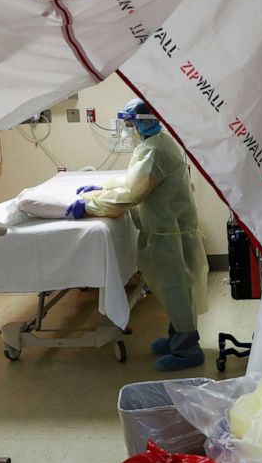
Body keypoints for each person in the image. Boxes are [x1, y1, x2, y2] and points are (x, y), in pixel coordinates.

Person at [75, 99, 209, 371]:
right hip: (165, 230)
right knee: (173, 291)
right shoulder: (154, 144)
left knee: (176, 291)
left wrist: (89, 206)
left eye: (130, 123)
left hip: (169, 234)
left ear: (143, 121)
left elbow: (133, 193)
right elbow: (132, 182)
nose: (127, 129)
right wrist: (100, 189)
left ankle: (187, 350)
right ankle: (177, 338)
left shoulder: (155, 151)